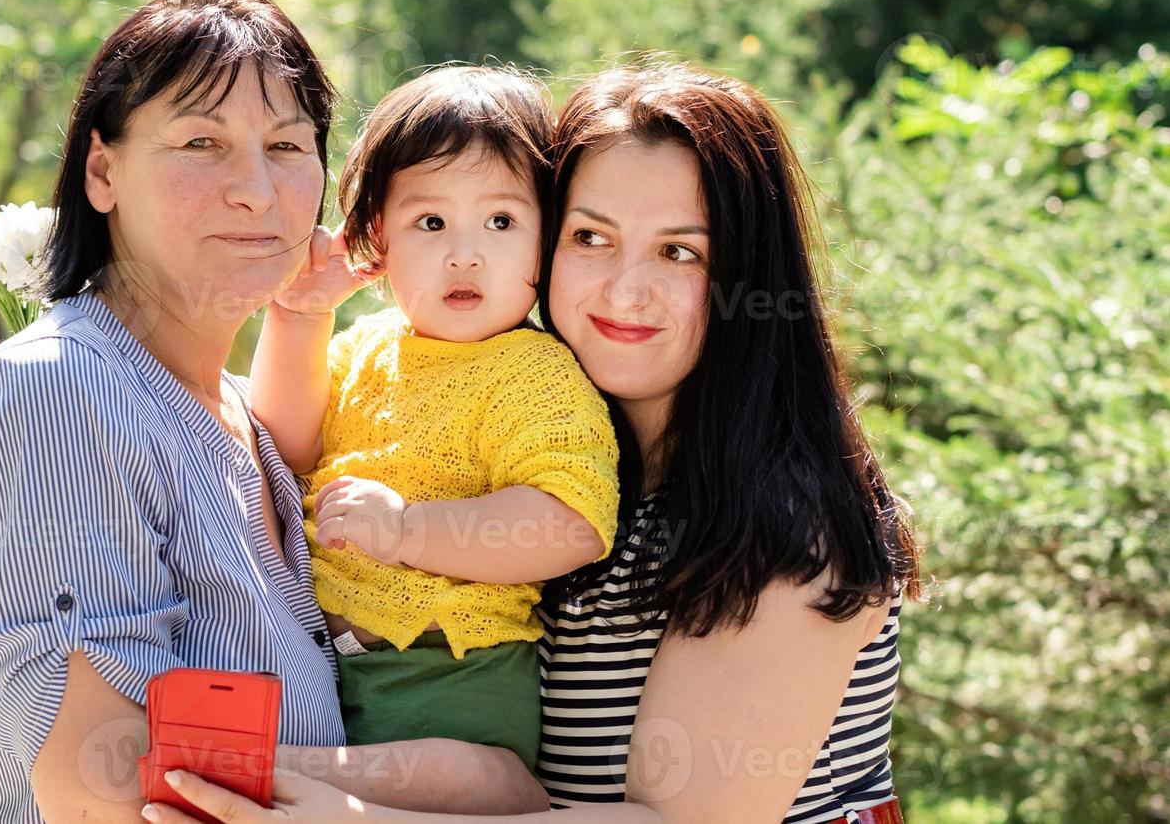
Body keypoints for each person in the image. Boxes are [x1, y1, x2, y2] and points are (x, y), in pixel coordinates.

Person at [149, 62, 920, 824]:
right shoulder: (569, 449)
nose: (623, 288)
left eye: (679, 252)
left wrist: (337, 812)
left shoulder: (784, 514)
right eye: (591, 237)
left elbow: (679, 822)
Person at [0, 0, 546, 824]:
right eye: (201, 143)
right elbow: (106, 791)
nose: (256, 189)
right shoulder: (58, 397)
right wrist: (474, 790)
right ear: (101, 171)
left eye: (288, 148)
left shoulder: (251, 420)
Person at [250, 65, 620, 771]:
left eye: (502, 221)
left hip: (450, 670)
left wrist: (406, 530)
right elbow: (283, 443)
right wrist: (298, 316)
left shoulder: (533, 371)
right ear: (375, 237)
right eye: (430, 222)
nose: (465, 252)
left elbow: (570, 523)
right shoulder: (363, 348)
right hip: (327, 664)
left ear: (549, 238)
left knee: (470, 781)